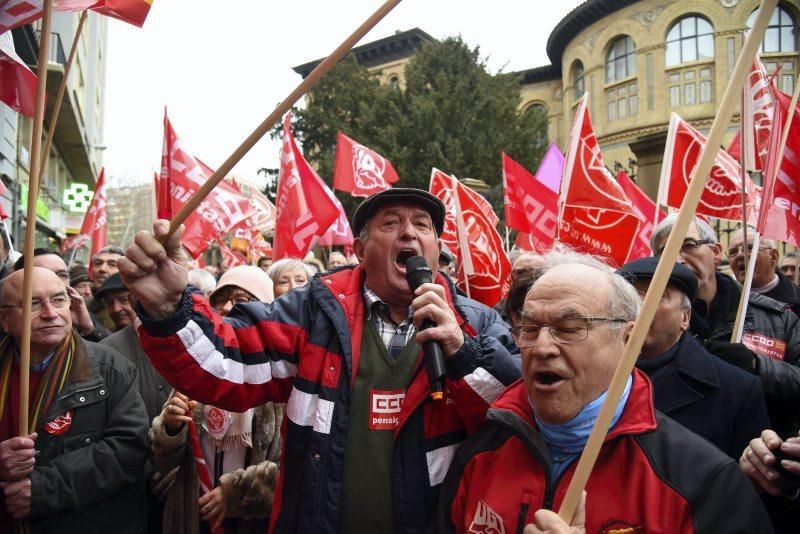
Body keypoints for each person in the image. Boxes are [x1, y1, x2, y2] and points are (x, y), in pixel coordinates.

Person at [120, 187, 520, 533]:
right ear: (361, 250)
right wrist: (170, 306)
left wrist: (462, 353)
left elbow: (515, 416)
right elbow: (228, 363)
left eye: (422, 225)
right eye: (391, 223)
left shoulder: (476, 322)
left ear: (435, 248)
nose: (409, 233)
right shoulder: (314, 314)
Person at [433, 251, 771, 533]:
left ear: (628, 339)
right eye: (530, 329)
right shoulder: (479, 456)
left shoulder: (702, 480)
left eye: (569, 328)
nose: (542, 347)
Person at [0, 267, 148, 532]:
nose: (50, 313)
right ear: (4, 318)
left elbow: (128, 449)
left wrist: (43, 490)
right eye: (33, 304)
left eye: (58, 300)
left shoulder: (110, 368)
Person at [150, 265, 282, 533]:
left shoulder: (281, 377)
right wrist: (171, 428)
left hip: (252, 522)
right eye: (221, 300)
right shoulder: (197, 371)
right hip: (194, 515)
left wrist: (234, 494)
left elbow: (293, 466)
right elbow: (161, 460)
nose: (228, 307)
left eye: (242, 300)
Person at [651, 214, 800, 438]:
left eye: (688, 245)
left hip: (766, 455)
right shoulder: (652, 324)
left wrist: (756, 365)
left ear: (716, 252)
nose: (677, 258)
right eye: (665, 252)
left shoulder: (778, 316)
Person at [618, 257, 769, 459]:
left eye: (658, 296)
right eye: (630, 297)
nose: (639, 307)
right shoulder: (591, 377)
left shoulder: (738, 390)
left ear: (685, 317)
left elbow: (749, 482)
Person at [13, 248, 108, 341]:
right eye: (44, 274)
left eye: (62, 275)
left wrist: (89, 329)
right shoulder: (11, 320)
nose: (56, 281)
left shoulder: (88, 319)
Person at [728, 229, 800, 316]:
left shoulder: (796, 302)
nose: (739, 255)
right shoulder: (723, 300)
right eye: (733, 252)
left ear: (773, 257)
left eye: (750, 248)